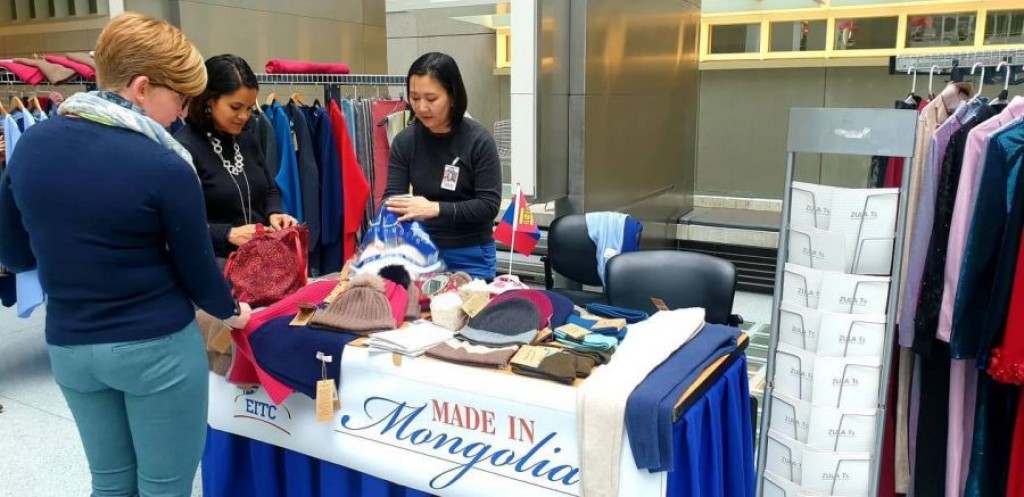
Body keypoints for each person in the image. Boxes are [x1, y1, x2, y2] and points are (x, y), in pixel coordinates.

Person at [0, 13, 251, 497]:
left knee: (111, 485)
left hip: (70, 346)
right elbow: (198, 273)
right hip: (154, 347)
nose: (182, 114)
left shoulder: (31, 145)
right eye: (179, 99)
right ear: (141, 87)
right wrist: (232, 311)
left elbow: (14, 253)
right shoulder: (164, 163)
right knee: (164, 488)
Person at [384, 52, 503, 280]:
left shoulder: (478, 141)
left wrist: (435, 208)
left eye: (431, 99)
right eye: (414, 97)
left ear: (453, 97)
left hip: (471, 255)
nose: (421, 107)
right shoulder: (405, 141)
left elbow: (488, 205)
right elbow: (392, 198)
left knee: (469, 303)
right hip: (421, 251)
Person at [175, 54, 298, 258]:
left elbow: (269, 189)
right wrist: (227, 234)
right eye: (235, 107)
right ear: (209, 100)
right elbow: (178, 224)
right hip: (214, 264)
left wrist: (274, 214)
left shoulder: (246, 138)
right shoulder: (184, 149)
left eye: (249, 108)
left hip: (259, 261)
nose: (244, 116)